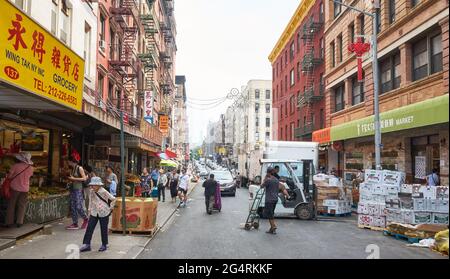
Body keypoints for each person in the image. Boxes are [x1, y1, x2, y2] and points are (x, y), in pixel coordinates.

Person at [80, 177, 116, 253]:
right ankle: (86, 244)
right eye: (92, 185)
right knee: (89, 228)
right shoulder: (91, 191)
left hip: (104, 212)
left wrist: (111, 208)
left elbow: (113, 199)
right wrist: (89, 211)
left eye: (94, 185)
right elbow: (90, 201)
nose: (92, 186)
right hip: (94, 212)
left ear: (99, 185)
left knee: (103, 229)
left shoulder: (103, 191)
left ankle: (104, 244)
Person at [4, 152, 34, 228]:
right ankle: (19, 222)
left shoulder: (15, 166)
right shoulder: (30, 168)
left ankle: (9, 222)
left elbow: (9, 176)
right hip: (25, 188)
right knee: (22, 205)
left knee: (11, 204)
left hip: (15, 187)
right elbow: (30, 176)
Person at [260, 167, 289, 235]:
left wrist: (265, 179)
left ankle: (273, 226)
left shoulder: (268, 180)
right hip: (275, 199)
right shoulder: (276, 180)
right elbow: (281, 188)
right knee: (271, 213)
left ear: (267, 172)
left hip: (269, 200)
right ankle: (272, 229)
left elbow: (261, 186)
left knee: (269, 214)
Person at [66, 156, 89, 230]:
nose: (68, 163)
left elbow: (84, 178)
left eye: (68, 161)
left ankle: (85, 219)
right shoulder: (72, 169)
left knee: (79, 206)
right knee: (73, 206)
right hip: (73, 189)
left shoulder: (79, 168)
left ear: (71, 161)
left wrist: (73, 179)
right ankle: (75, 223)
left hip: (78, 190)